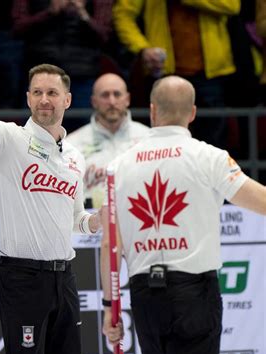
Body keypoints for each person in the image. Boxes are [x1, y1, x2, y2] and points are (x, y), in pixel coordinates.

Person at [0, 16, 101, 354]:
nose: (44, 99)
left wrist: (96, 221)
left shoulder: (76, 155)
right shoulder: (9, 139)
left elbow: (77, 219)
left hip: (66, 277)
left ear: (68, 100)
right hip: (22, 276)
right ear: (28, 98)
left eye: (52, 93)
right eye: (37, 92)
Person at [101, 76, 266, 354]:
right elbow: (261, 201)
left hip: (145, 297)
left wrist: (108, 306)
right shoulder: (209, 157)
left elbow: (109, 245)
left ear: (152, 111)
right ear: (192, 113)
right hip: (194, 293)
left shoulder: (118, 167)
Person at [113, 0, 240, 148]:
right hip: (163, 70)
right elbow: (123, 15)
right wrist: (142, 48)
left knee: (213, 141)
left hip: (210, 73)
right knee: (162, 142)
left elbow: (232, 5)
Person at [66, 73, 149, 208]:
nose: (112, 101)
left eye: (117, 94)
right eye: (105, 95)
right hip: (90, 224)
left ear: (127, 99)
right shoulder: (72, 145)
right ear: (94, 101)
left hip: (139, 220)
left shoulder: (148, 138)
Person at [12, 0, 113, 108]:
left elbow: (104, 35)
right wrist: (49, 12)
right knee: (36, 122)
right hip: (41, 71)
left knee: (81, 121)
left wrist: (82, 13)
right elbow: (17, 28)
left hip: (82, 74)